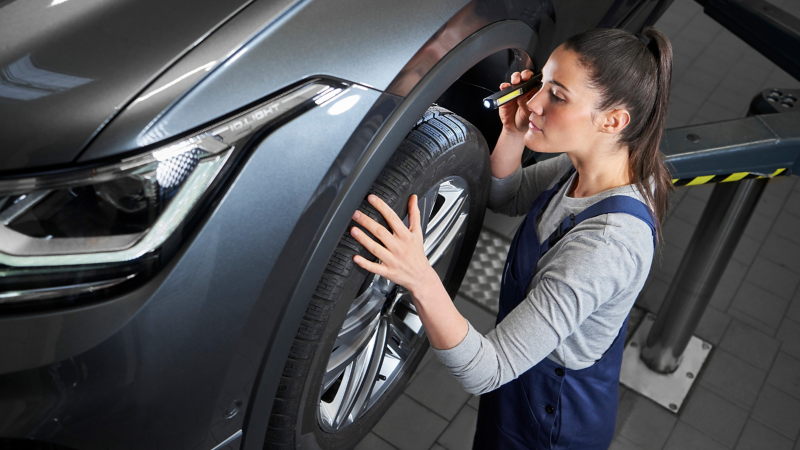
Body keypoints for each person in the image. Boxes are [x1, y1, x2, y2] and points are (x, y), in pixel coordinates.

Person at [348, 25, 673, 450]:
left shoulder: (606, 247)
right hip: (522, 386)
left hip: (551, 420)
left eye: (557, 95)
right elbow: (508, 195)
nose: (534, 101)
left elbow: (488, 369)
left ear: (613, 120)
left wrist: (418, 276)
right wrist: (516, 131)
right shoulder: (587, 168)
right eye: (543, 85)